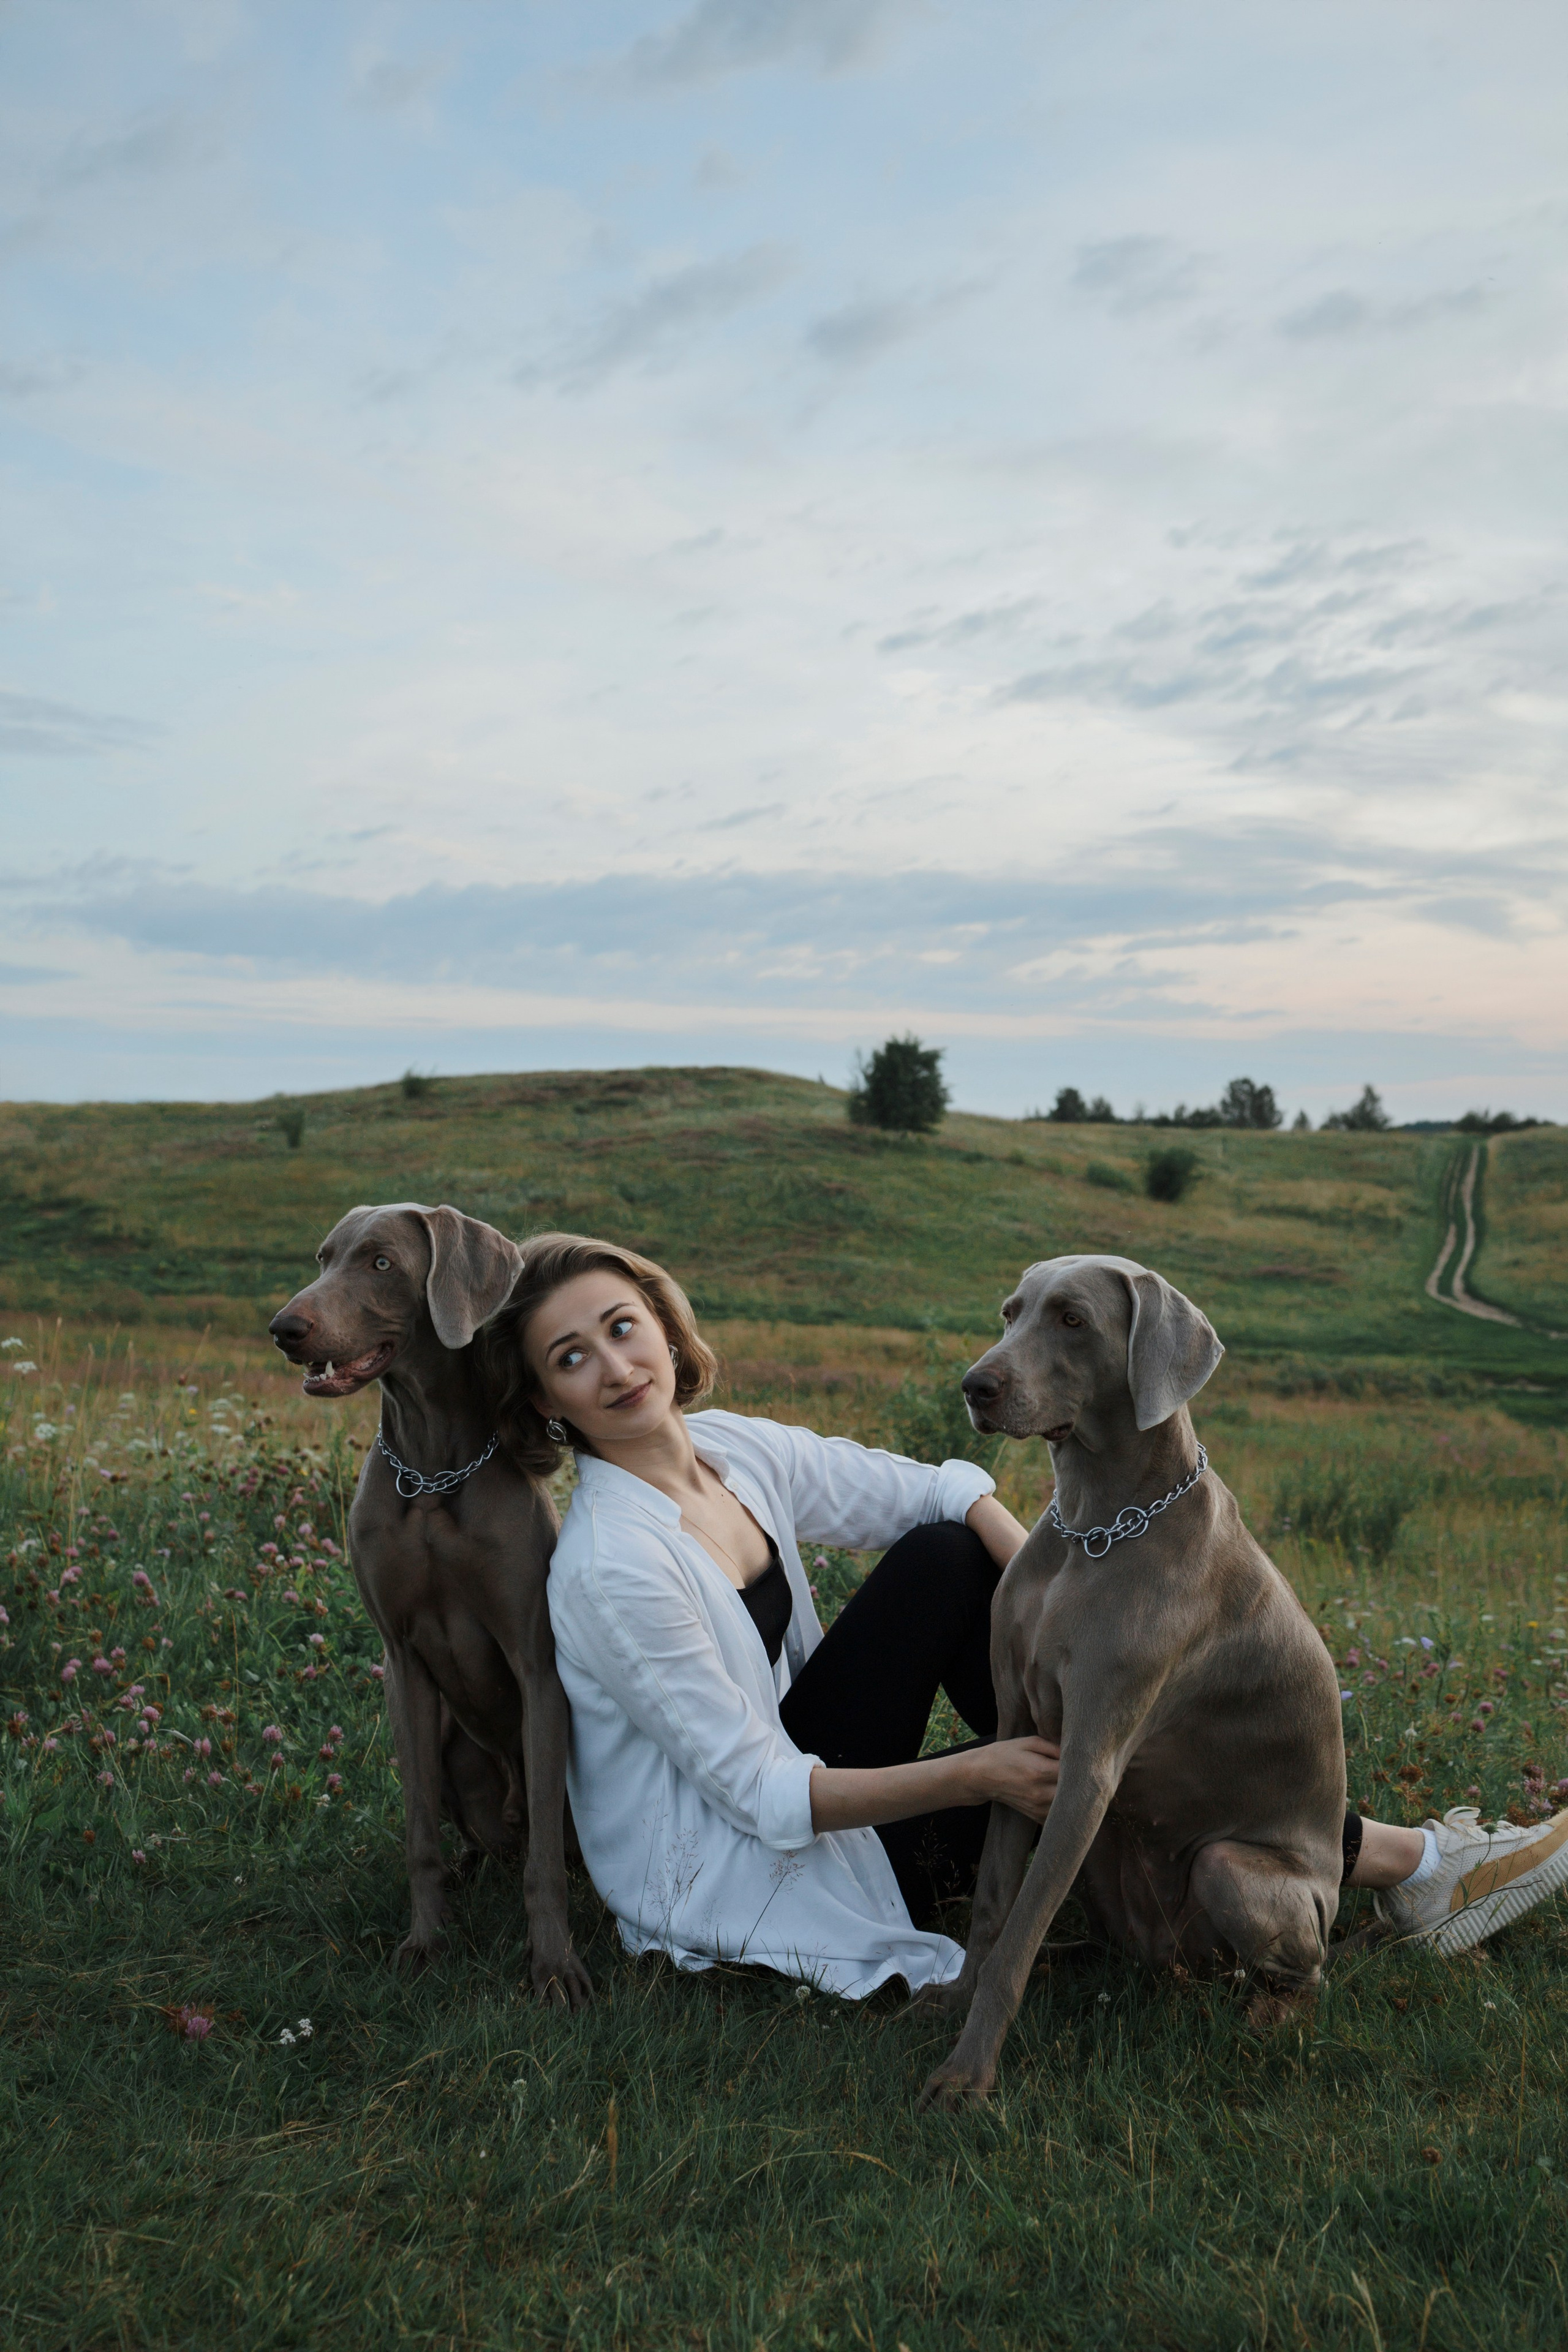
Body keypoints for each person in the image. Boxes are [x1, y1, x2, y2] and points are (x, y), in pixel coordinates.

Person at [479, 1232, 1568, 1993]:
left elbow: (944, 1487)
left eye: (624, 1327)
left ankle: (1394, 1866)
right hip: (747, 1855)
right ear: (543, 1401)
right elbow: (761, 1795)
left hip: (815, 1785)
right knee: (969, 1613)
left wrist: (1060, 1616)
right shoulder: (614, 1563)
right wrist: (980, 1771)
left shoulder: (733, 1452)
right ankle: (1411, 1866)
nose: (615, 1367)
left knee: (969, 1560)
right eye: (570, 1358)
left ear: (665, 1327)